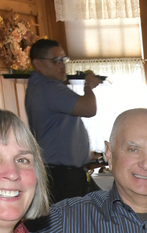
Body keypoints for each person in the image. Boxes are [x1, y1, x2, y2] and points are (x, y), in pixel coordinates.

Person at [24, 38, 102, 203]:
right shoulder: (49, 88)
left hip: (61, 173)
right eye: (55, 61)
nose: (62, 65)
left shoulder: (40, 86)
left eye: (63, 60)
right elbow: (89, 109)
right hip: (61, 176)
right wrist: (88, 86)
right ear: (37, 63)